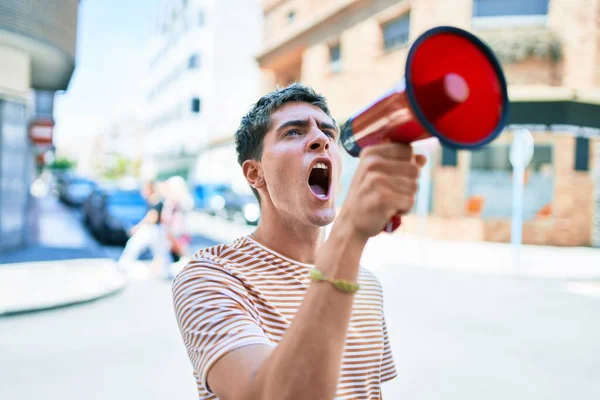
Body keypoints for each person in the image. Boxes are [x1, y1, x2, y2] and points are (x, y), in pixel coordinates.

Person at [172, 83, 427, 399]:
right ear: (254, 173)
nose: (320, 139)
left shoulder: (365, 284)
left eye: (328, 133)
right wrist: (349, 234)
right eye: (293, 132)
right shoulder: (211, 276)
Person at [118, 180, 172, 278]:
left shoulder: (154, 199)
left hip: (151, 229)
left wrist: (138, 227)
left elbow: (153, 216)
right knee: (161, 252)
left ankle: (124, 265)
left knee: (134, 245)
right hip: (157, 229)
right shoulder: (157, 199)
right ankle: (166, 271)